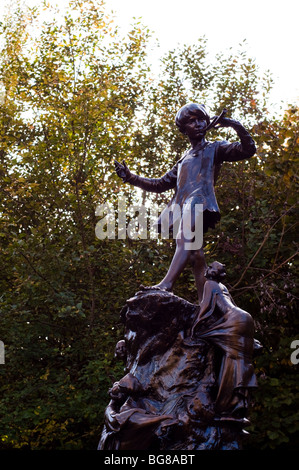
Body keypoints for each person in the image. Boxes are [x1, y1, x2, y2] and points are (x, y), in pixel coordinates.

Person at [115, 103, 256, 302]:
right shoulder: (183, 160)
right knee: (196, 257)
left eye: (202, 120)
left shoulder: (215, 147)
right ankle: (206, 307)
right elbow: (159, 184)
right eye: (192, 121)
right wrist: (131, 178)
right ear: (183, 128)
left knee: (184, 238)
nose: (198, 124)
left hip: (200, 201)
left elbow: (248, 149)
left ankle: (166, 285)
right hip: (183, 205)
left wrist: (233, 124)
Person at [191, 261, 258, 418]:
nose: (207, 269)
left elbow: (205, 306)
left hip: (234, 320)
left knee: (232, 360)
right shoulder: (223, 287)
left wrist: (195, 325)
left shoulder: (210, 284)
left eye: (211, 267)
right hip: (245, 318)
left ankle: (228, 404)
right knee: (242, 360)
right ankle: (240, 402)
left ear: (213, 272)